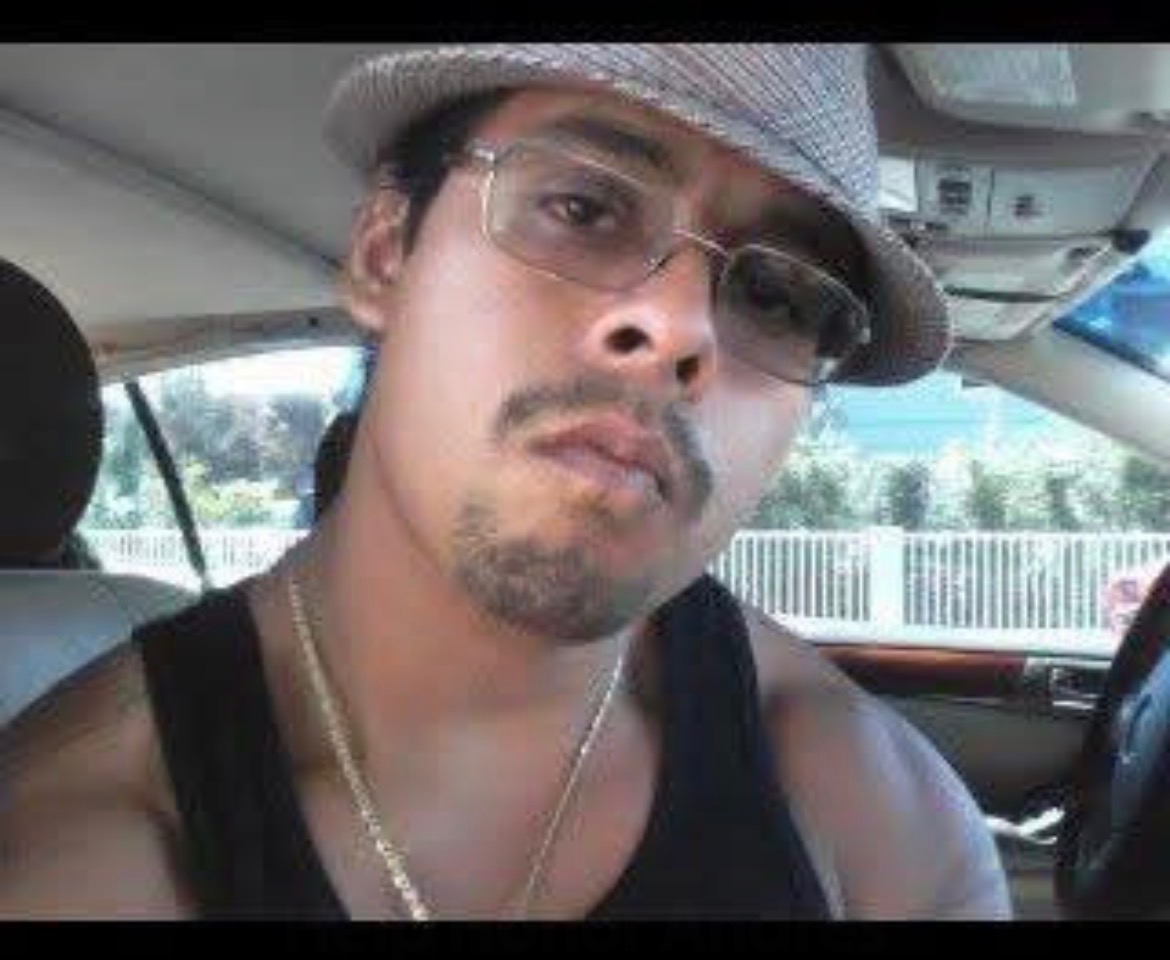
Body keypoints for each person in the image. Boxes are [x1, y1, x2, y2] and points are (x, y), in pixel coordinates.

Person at [0, 44, 1011, 920]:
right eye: (583, 207)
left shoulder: (877, 819)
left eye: (779, 298)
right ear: (385, 255)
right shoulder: (72, 849)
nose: (679, 329)